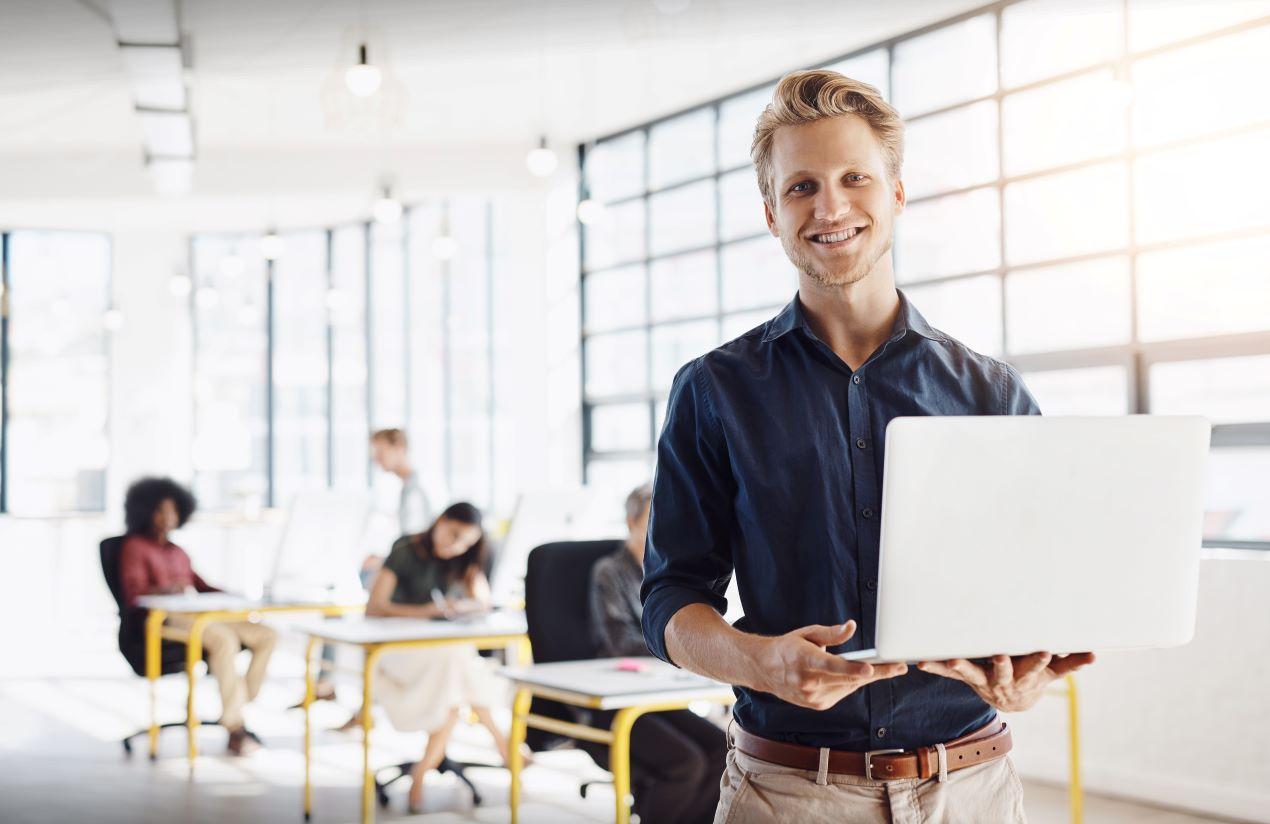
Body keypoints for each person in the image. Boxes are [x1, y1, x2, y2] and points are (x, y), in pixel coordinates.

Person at [640, 69, 1094, 823]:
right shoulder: (714, 390)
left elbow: (1033, 591)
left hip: (971, 789)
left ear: (896, 194)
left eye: (855, 178)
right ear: (771, 213)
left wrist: (1025, 671)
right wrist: (759, 661)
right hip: (787, 794)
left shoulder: (992, 394)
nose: (831, 207)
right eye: (801, 187)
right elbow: (668, 599)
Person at [587, 483, 727, 824]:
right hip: (618, 702)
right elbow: (620, 640)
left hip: (658, 695)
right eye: (653, 520)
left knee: (722, 751)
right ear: (631, 522)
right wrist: (679, 644)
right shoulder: (609, 572)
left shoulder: (669, 574)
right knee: (685, 763)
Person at [365, 502, 513, 814]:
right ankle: (503, 744)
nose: (455, 545)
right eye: (454, 534)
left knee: (455, 672)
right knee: (459, 662)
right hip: (395, 650)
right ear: (441, 521)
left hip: (438, 651)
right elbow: (375, 606)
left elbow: (483, 601)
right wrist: (425, 612)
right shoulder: (405, 549)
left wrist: (459, 607)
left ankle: (421, 772)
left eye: (466, 543)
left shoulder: (463, 559)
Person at [118, 477, 277, 756]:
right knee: (223, 640)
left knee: (266, 634)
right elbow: (133, 593)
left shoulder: (177, 551)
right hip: (163, 619)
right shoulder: (134, 547)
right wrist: (168, 588)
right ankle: (234, 725)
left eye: (172, 511)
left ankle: (240, 699)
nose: (168, 518)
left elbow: (201, 585)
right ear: (145, 512)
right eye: (160, 511)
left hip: (198, 614)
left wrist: (235, 596)